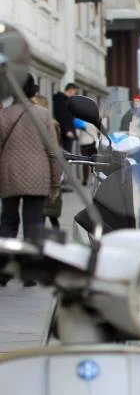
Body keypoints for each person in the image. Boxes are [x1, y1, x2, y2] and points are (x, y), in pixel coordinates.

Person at [0, 74, 61, 287]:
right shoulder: (43, 115)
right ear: (33, 91)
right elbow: (53, 152)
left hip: (8, 174)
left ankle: (3, 270)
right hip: (38, 175)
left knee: (8, 221)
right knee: (34, 223)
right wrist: (55, 182)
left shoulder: (4, 115)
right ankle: (29, 273)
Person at [52, 82, 78, 153]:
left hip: (67, 131)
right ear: (71, 90)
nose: (74, 94)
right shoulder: (60, 99)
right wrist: (66, 130)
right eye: (75, 92)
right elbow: (61, 116)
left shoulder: (66, 100)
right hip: (65, 132)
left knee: (68, 153)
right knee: (65, 153)